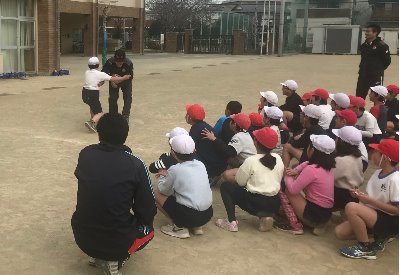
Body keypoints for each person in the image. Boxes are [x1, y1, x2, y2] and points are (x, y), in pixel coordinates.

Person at [71, 113, 156, 275]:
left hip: (82, 237)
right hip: (117, 243)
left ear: (99, 133)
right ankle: (114, 259)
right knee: (148, 229)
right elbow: (147, 209)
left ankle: (97, 255)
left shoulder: (86, 154)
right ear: (126, 135)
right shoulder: (136, 164)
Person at [335, 139, 399, 260]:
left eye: (376, 152)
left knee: (351, 207)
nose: (372, 154)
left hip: (390, 220)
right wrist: (360, 195)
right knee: (340, 232)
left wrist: (369, 200)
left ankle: (365, 247)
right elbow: (372, 198)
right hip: (376, 215)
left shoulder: (395, 179)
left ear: (385, 157)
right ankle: (379, 236)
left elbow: (397, 210)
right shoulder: (377, 173)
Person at [215, 127, 284, 232]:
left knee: (226, 186)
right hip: (274, 203)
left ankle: (231, 222)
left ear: (255, 142)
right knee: (261, 187)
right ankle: (265, 217)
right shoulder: (278, 158)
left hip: (255, 203)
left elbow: (240, 182)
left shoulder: (251, 160)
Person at [155, 134, 213, 239]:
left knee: (156, 193)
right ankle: (196, 227)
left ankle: (179, 227)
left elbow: (163, 190)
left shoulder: (175, 169)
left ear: (173, 153)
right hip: (207, 214)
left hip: (189, 215)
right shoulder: (201, 164)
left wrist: (162, 177)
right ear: (194, 151)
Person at [277, 135, 336, 235]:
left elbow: (292, 189)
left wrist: (286, 175)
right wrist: (295, 171)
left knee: (287, 189)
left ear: (312, 150)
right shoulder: (328, 168)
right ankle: (319, 225)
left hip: (313, 215)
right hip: (326, 214)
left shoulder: (312, 170)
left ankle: (295, 225)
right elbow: (306, 163)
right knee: (295, 183)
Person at [202, 113, 257, 183]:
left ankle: (246, 184)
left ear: (234, 124)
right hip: (248, 163)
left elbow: (230, 152)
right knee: (228, 159)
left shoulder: (239, 136)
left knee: (226, 175)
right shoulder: (245, 134)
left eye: (232, 121)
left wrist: (214, 139)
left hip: (249, 167)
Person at [82, 57, 130, 132]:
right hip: (92, 94)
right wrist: (124, 78)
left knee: (92, 106)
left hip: (84, 93)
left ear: (89, 65)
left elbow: (96, 80)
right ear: (98, 65)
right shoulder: (100, 74)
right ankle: (91, 123)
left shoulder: (87, 72)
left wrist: (101, 82)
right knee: (100, 113)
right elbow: (113, 79)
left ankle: (93, 122)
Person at [185, 104, 227, 179]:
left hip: (211, 167)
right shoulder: (204, 125)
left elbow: (186, 147)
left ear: (190, 118)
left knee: (184, 155)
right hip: (218, 163)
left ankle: (209, 176)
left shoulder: (196, 128)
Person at [331, 126, 364, 210]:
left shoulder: (340, 160)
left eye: (337, 138)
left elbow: (329, 177)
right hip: (353, 195)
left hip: (341, 196)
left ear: (341, 141)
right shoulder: (358, 158)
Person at [356, 23, 391, 99]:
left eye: (368, 31)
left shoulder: (382, 46)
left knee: (378, 97)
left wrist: (378, 69)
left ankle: (378, 111)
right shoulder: (364, 45)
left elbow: (387, 61)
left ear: (375, 33)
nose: (366, 33)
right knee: (359, 97)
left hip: (376, 76)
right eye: (366, 31)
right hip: (363, 75)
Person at [102, 49, 134, 123]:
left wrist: (121, 79)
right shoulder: (109, 62)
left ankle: (125, 115)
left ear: (124, 59)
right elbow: (103, 73)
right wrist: (111, 80)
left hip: (126, 81)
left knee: (128, 96)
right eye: (117, 61)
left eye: (121, 61)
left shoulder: (128, 63)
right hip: (113, 81)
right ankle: (113, 115)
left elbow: (130, 76)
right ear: (114, 59)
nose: (119, 63)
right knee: (112, 98)